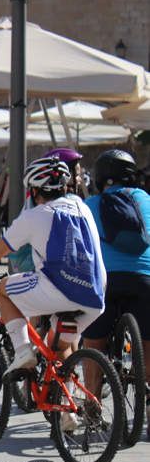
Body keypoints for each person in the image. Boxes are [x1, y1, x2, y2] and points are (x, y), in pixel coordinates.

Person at [0, 157, 105, 378]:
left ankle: (22, 350)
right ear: (65, 187)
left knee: (2, 290)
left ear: (34, 192)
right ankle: (68, 408)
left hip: (58, 290)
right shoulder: (82, 207)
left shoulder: (34, 215)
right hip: (94, 296)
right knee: (59, 347)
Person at [81, 150, 150, 387]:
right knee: (148, 346)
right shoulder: (144, 199)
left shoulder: (88, 205)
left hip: (104, 281)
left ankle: (93, 410)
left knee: (94, 345)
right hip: (144, 279)